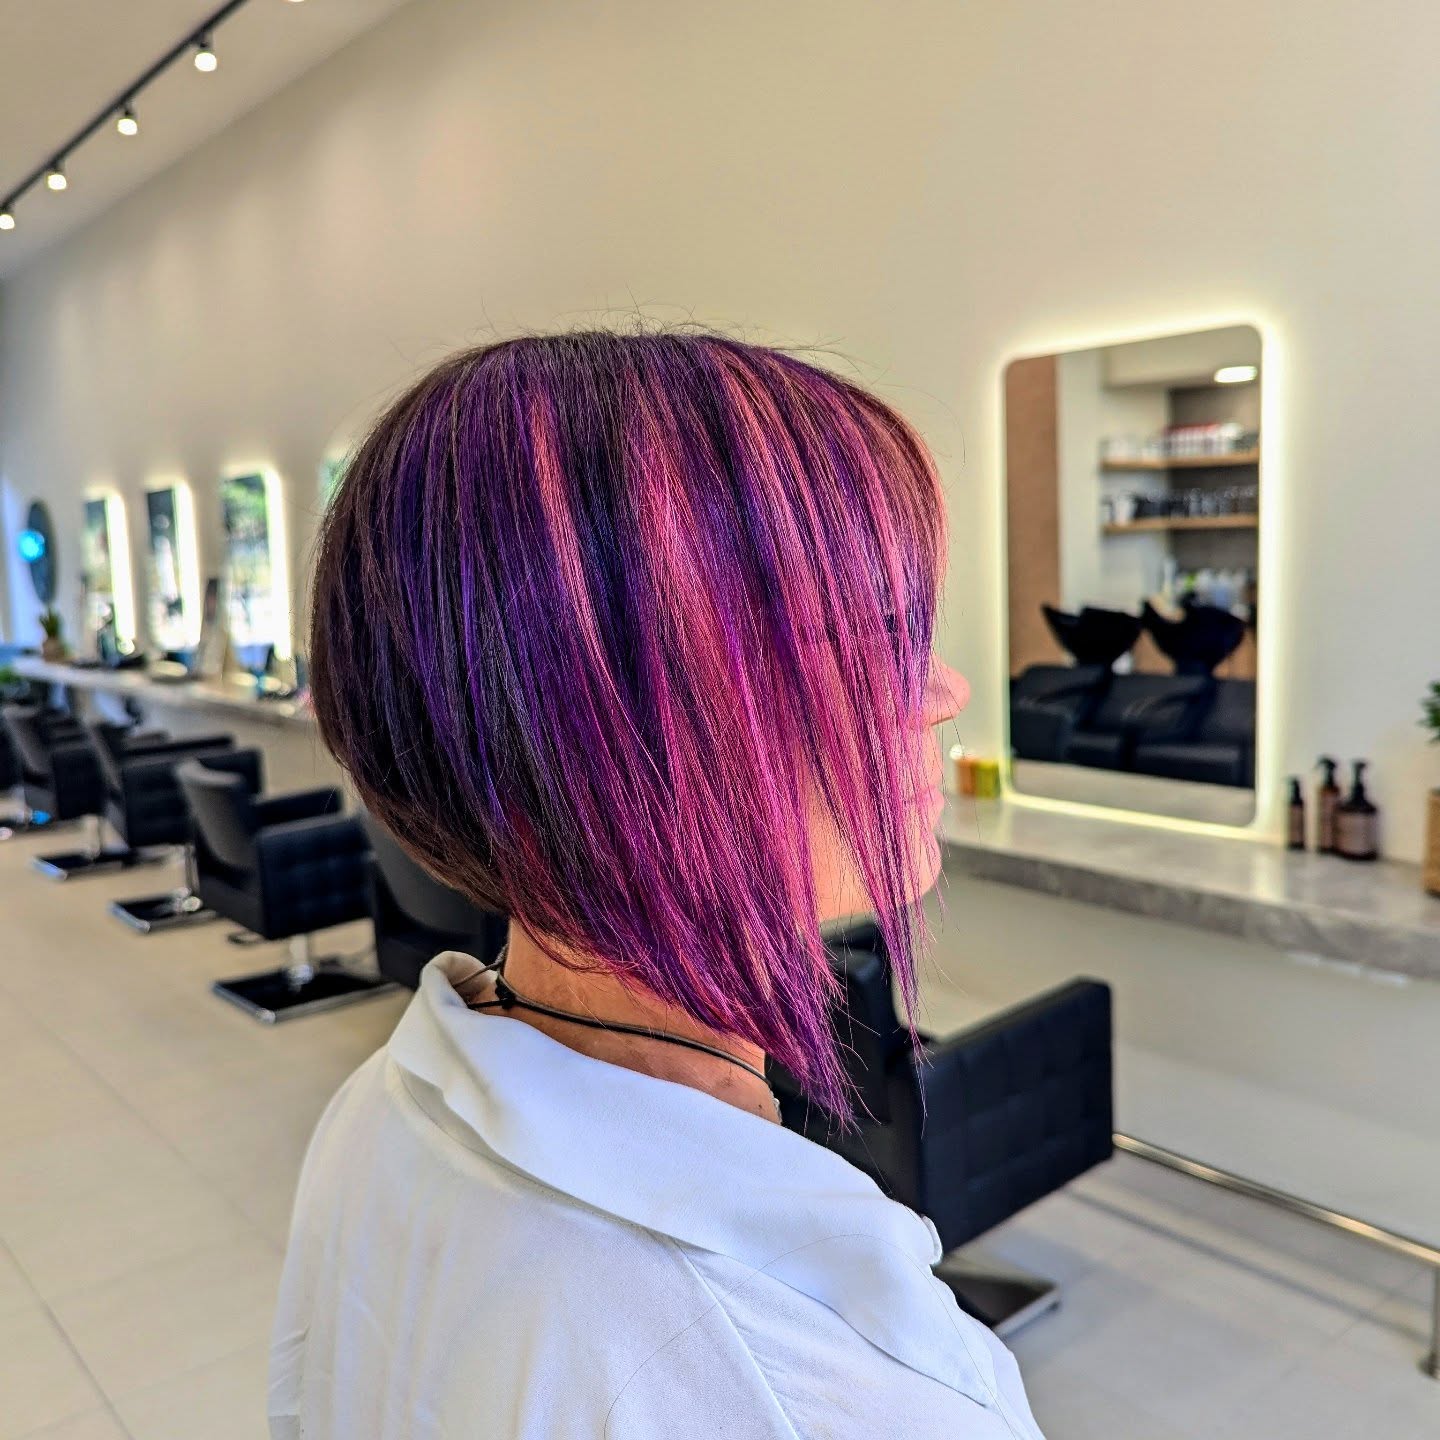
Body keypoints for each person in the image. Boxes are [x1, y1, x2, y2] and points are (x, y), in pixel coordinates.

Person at [270, 331, 1044, 1439]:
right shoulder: (804, 1388)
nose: (942, 689)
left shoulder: (379, 1113)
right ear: (609, 729)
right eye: (869, 638)